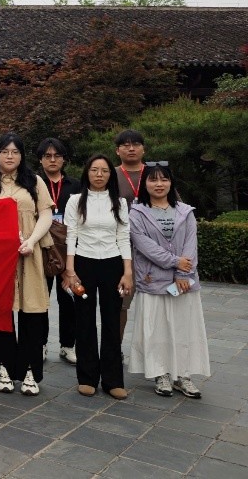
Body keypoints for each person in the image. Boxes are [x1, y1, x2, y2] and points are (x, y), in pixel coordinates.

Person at [0, 133, 53, 396]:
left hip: (30, 253)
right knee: (2, 313)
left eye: (15, 152)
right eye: (5, 151)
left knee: (32, 312)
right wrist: (0, 237)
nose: (10, 156)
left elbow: (46, 214)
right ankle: (3, 369)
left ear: (22, 155)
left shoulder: (34, 181)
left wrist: (31, 240)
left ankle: (30, 370)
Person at [129, 162, 210, 399]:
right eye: (153, 179)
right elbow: (144, 246)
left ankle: (183, 374)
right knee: (156, 330)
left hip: (183, 283)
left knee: (184, 329)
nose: (159, 184)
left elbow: (191, 245)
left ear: (171, 182)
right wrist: (175, 262)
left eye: (164, 179)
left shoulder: (186, 212)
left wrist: (183, 274)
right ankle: (161, 373)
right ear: (144, 184)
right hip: (152, 280)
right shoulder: (137, 213)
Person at [63, 154, 132, 400]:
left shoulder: (119, 202)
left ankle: (113, 380)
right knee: (85, 320)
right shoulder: (75, 201)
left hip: (113, 264)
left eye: (104, 170)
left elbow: (123, 236)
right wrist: (70, 271)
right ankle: (87, 377)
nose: (99, 174)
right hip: (84, 263)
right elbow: (71, 235)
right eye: (94, 170)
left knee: (112, 320)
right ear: (87, 173)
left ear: (111, 175)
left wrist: (127, 271)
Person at [35, 137, 80, 365]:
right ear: (40, 159)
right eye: (47, 156)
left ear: (64, 159)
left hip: (69, 248)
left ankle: (67, 345)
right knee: (41, 299)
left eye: (57, 156)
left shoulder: (76, 185)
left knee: (69, 298)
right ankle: (41, 344)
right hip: (42, 247)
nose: (52, 160)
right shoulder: (33, 183)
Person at [114, 129, 146, 345]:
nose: (131, 148)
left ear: (143, 149)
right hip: (122, 249)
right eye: (126, 145)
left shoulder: (155, 174)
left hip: (153, 249)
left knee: (157, 303)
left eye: (136, 144)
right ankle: (115, 350)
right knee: (120, 304)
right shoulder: (111, 175)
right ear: (118, 151)